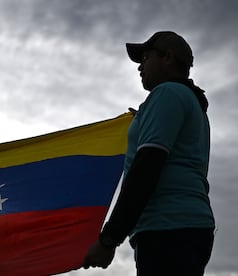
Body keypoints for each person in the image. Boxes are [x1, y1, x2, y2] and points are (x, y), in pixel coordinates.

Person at [84, 31, 215, 276]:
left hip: (169, 230)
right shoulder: (189, 102)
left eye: (145, 58)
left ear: (167, 57)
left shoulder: (167, 94)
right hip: (185, 228)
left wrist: (109, 239)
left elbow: (147, 167)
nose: (139, 67)